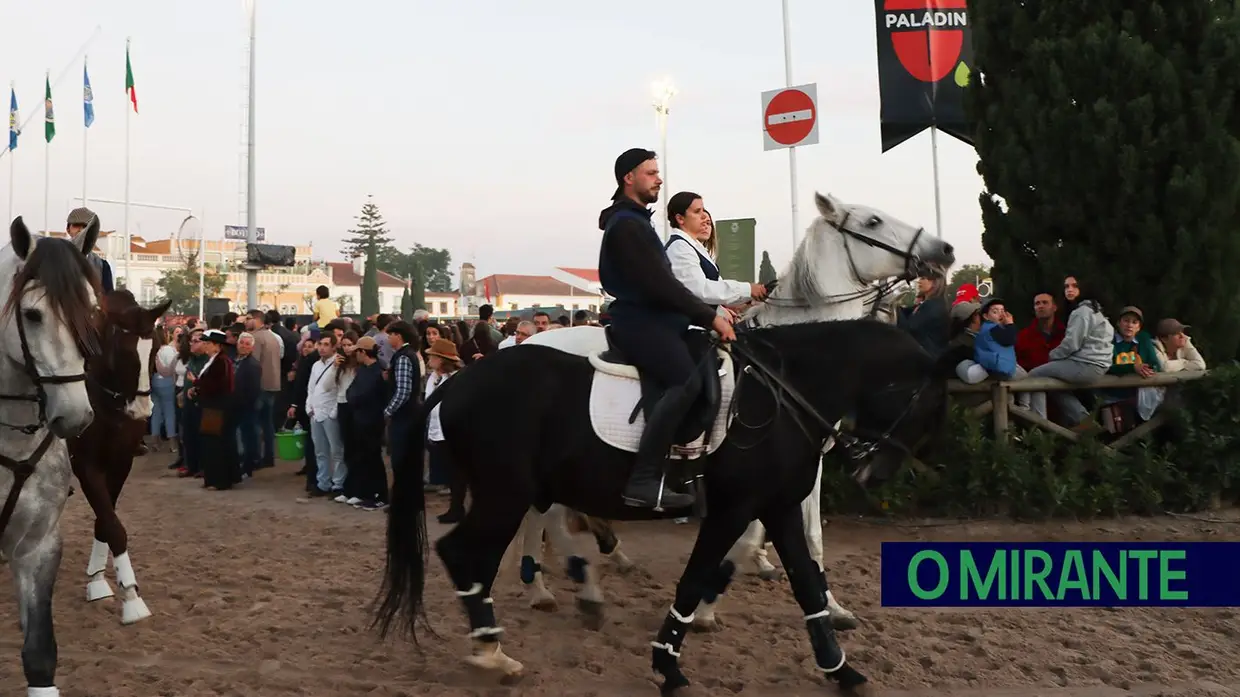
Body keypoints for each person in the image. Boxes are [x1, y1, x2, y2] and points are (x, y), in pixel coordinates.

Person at [597, 148, 735, 509]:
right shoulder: (626, 225)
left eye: (657, 172)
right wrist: (711, 317)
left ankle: (691, 468)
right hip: (638, 321)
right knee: (683, 380)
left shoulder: (636, 222)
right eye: (651, 172)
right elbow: (662, 285)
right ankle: (643, 479)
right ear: (629, 178)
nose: (659, 178)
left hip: (655, 320)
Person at [345, 336, 389, 510]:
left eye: (357, 351)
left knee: (373, 458)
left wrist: (355, 399)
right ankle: (366, 492)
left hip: (372, 421)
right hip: (359, 419)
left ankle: (379, 495)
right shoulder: (363, 370)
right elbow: (351, 391)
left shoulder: (378, 371)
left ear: (363, 352)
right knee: (362, 457)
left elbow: (367, 395)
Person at [67, 207, 114, 293]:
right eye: (76, 225)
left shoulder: (102, 266)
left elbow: (109, 299)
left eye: (85, 226)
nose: (80, 230)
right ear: (68, 229)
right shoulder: (55, 260)